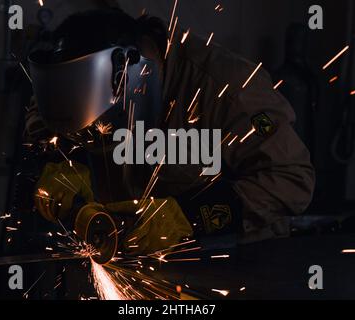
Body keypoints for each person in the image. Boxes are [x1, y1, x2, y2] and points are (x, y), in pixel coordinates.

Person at [27, 8, 315, 256]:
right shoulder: (73, 83)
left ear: (129, 76)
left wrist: (187, 218)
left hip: (230, 262)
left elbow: (292, 180)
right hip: (130, 260)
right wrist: (60, 165)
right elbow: (43, 125)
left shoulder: (229, 89)